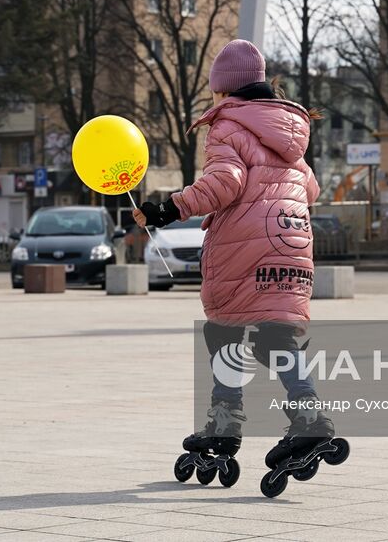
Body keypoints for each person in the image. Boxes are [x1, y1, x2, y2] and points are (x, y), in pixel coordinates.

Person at [136, 39, 339, 489]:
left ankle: (224, 423)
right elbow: (311, 189)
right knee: (277, 336)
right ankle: (308, 416)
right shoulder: (289, 132)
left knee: (224, 329)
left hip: (247, 247)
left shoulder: (229, 124)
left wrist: (167, 210)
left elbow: (225, 181)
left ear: (225, 89)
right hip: (292, 242)